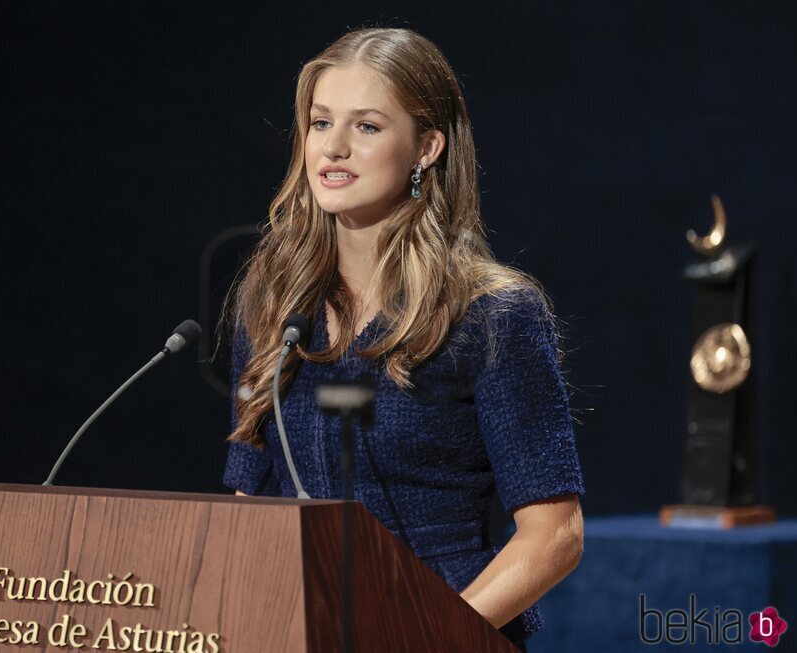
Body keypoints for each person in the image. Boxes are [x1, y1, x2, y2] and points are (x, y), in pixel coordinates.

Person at [222, 27, 584, 652]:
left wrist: (426, 635)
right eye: (319, 123)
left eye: (366, 127)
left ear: (426, 147)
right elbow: (243, 505)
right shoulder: (273, 303)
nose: (332, 149)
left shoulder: (492, 314)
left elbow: (554, 535)